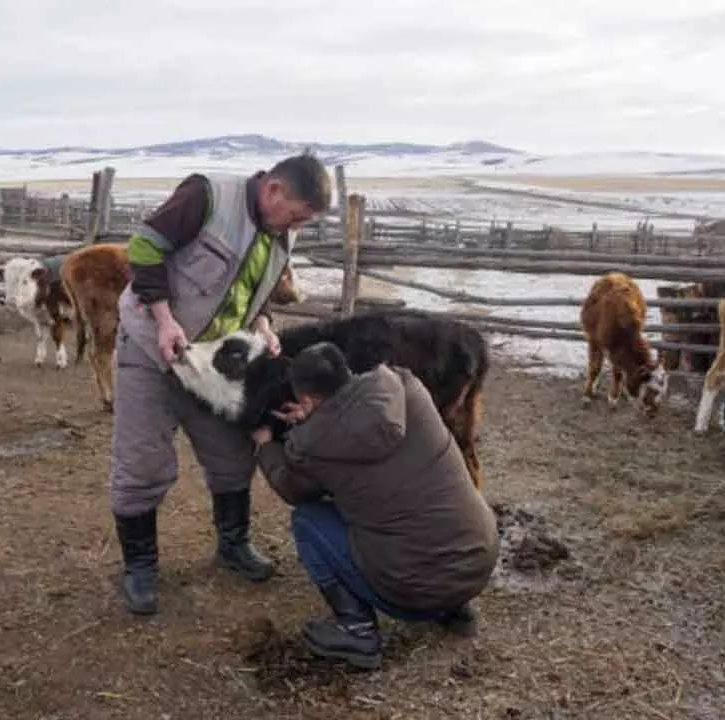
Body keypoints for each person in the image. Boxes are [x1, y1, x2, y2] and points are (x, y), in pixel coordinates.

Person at [110, 152, 333, 615]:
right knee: (144, 462)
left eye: (304, 222)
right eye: (295, 215)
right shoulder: (208, 196)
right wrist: (165, 318)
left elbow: (259, 288)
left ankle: (233, 545)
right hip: (153, 349)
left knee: (232, 457)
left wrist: (266, 325)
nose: (296, 226)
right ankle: (141, 567)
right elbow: (145, 248)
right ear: (274, 190)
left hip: (215, 364)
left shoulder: (280, 232)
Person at [251, 342, 500, 671]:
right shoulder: (405, 387)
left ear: (307, 400)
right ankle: (457, 607)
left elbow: (293, 488)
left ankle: (357, 631)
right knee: (427, 497)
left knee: (308, 520)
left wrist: (267, 446)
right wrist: (317, 418)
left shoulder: (312, 446)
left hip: (414, 593)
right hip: (478, 562)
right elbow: (356, 416)